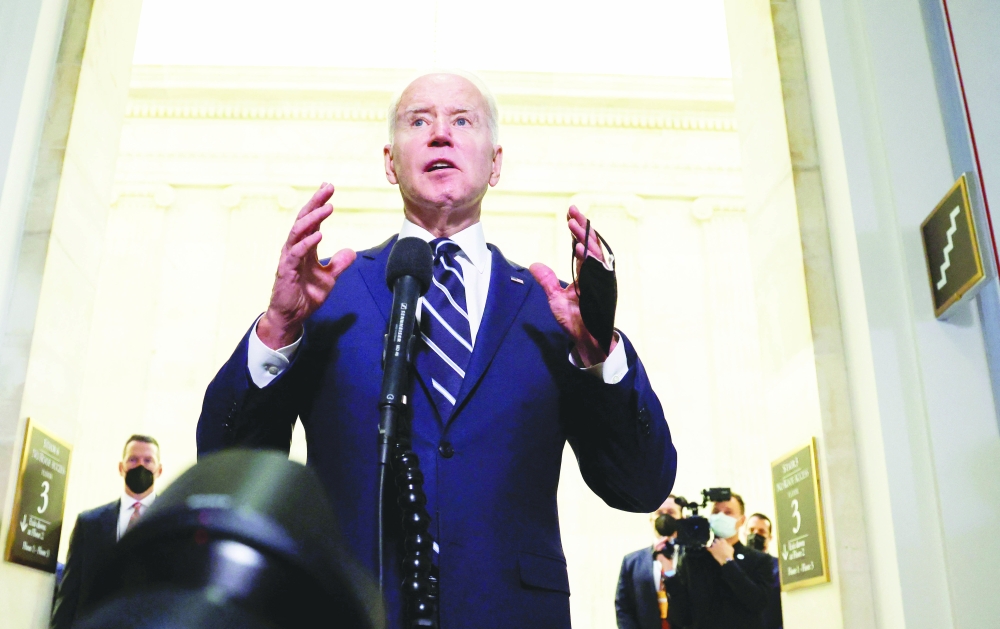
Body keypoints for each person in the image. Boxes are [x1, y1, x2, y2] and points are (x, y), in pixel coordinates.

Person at [196, 71, 676, 629]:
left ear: (495, 164)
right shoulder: (326, 295)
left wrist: (600, 354)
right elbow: (228, 468)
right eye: (419, 121)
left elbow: (642, 485)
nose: (440, 134)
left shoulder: (553, 311)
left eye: (462, 121)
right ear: (390, 161)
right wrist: (278, 329)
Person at [50, 435, 162, 629]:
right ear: (121, 467)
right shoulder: (89, 524)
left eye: (148, 460)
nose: (140, 466)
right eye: (133, 459)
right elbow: (69, 596)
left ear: (159, 470)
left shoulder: (173, 521)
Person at [665, 493, 773, 629]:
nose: (721, 516)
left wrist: (728, 562)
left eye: (728, 512)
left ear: (741, 520)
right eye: (716, 512)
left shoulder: (759, 559)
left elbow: (759, 603)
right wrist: (669, 574)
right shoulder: (693, 559)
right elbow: (681, 617)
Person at [616, 495, 683, 629]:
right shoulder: (632, 562)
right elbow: (623, 607)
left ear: (682, 518)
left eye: (671, 513)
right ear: (651, 519)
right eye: (659, 513)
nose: (665, 518)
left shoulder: (693, 559)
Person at [745, 513, 783, 629]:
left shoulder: (779, 568)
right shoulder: (734, 564)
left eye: (762, 531)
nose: (755, 534)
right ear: (744, 533)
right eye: (751, 530)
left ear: (769, 537)